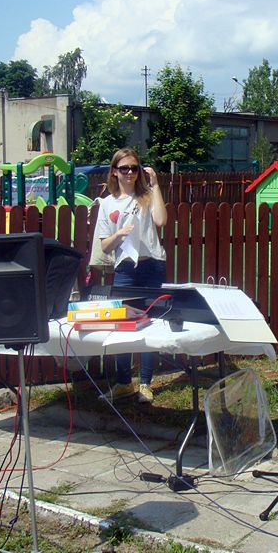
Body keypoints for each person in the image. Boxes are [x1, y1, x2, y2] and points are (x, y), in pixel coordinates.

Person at [98, 147, 168, 403]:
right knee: (124, 324)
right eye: (124, 168)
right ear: (114, 171)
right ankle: (124, 382)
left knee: (149, 322)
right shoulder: (107, 203)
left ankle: (146, 383)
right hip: (125, 267)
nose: (129, 173)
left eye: (134, 168)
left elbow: (161, 220)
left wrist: (156, 185)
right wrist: (119, 235)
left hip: (151, 265)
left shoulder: (146, 196)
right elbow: (104, 245)